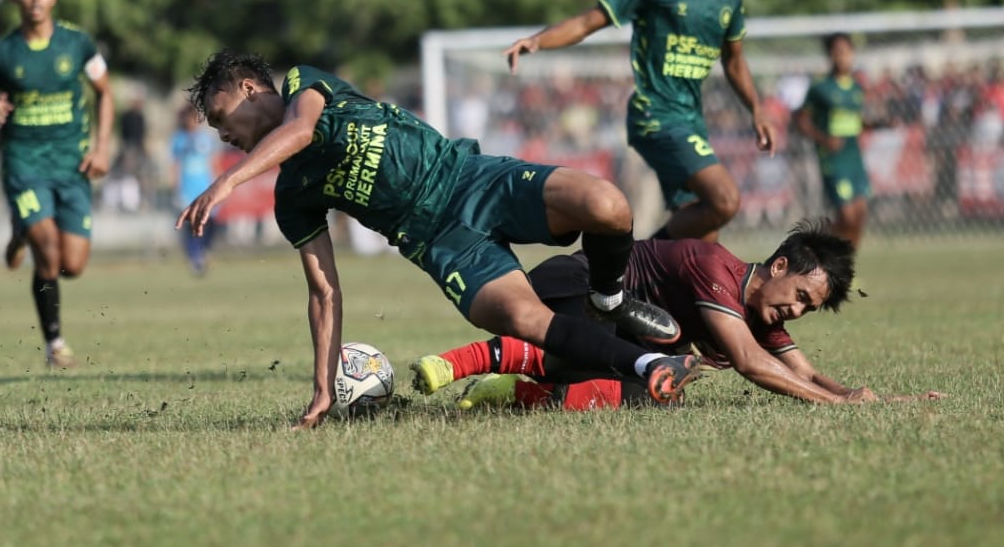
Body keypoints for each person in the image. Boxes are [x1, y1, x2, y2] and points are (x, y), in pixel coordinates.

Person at [176, 50, 704, 429]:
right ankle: (652, 366)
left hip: (471, 177)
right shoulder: (292, 194)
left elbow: (303, 131)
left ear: (248, 89)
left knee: (607, 206)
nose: (225, 136)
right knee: (522, 319)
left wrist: (225, 181)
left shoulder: (304, 83)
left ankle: (609, 296)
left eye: (223, 119)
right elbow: (324, 292)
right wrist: (322, 387)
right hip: (439, 241)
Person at [415, 220, 942, 411]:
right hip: (570, 289)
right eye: (802, 295)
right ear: (779, 265)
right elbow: (752, 364)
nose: (798, 311)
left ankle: (516, 391)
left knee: (662, 389)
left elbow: (800, 371)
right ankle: (458, 362)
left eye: (809, 308)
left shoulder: (762, 311)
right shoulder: (715, 266)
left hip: (608, 328)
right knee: (647, 344)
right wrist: (834, 407)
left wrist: (867, 397)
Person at [504, 0, 775, 241]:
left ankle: (653, 285)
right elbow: (588, 21)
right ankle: (640, 261)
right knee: (725, 201)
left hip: (692, 117)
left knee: (702, 236)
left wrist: (756, 109)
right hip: (656, 115)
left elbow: (734, 60)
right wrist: (538, 40)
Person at [0, 0, 114, 369]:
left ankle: (19, 233)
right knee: (49, 254)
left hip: (72, 166)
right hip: (24, 165)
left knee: (72, 266)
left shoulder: (77, 44)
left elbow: (106, 93)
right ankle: (55, 344)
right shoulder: (1, 53)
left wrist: (102, 148)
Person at [794, 33, 875, 249]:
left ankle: (844, 267)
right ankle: (815, 246)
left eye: (846, 52)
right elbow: (800, 120)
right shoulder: (821, 87)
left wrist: (877, 124)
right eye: (837, 53)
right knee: (846, 216)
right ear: (830, 56)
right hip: (833, 158)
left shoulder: (857, 88)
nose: (842, 57)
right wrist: (824, 139)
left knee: (859, 215)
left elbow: (857, 122)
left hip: (854, 157)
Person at [169, 103, 220, 275]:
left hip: (205, 187)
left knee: (211, 222)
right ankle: (194, 256)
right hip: (187, 190)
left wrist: (219, 183)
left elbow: (213, 162)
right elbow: (175, 165)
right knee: (190, 225)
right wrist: (176, 187)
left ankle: (204, 250)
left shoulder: (205, 138)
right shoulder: (178, 139)